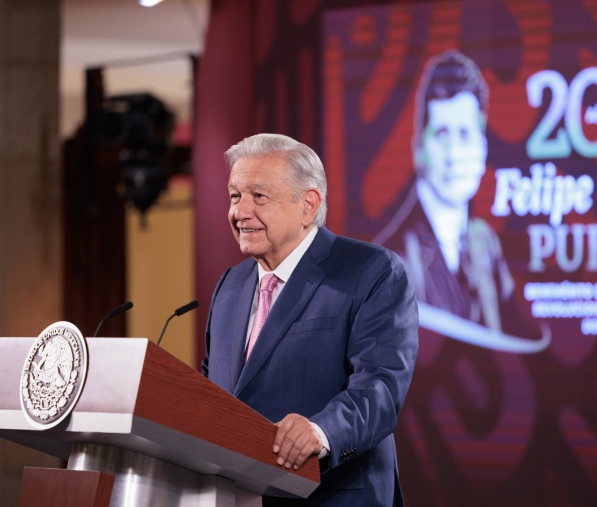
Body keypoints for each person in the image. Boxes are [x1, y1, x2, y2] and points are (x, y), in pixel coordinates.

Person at [202, 133, 419, 506]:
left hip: (331, 494)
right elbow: (210, 391)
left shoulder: (371, 271)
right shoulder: (230, 285)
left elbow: (381, 387)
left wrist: (320, 431)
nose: (240, 211)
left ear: (308, 205)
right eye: (235, 196)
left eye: (259, 196)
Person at [374, 49, 544, 345]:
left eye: (465, 134)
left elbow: (521, 340)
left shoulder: (484, 242)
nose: (454, 155)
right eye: (442, 134)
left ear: (483, 149)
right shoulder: (392, 262)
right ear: (418, 147)